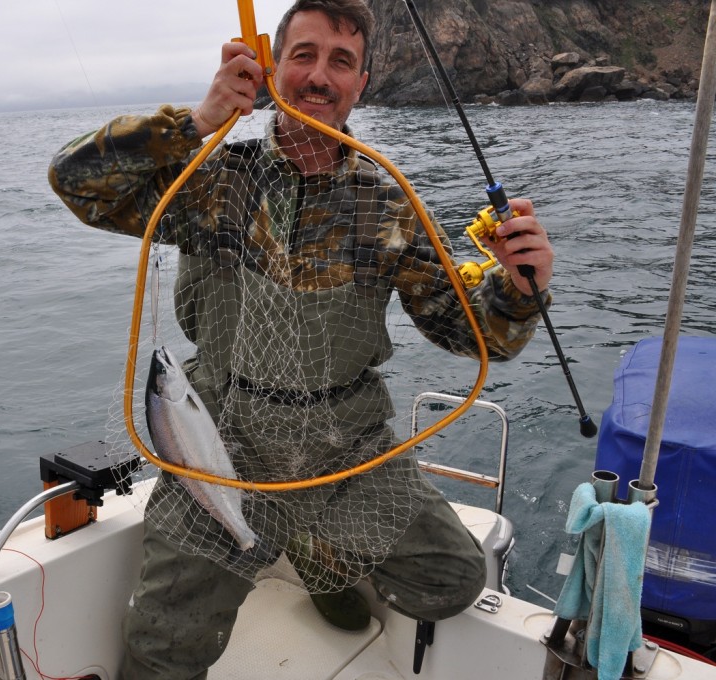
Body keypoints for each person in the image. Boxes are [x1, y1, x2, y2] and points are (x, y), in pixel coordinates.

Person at [49, 1, 555, 677]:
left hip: (348, 442)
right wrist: (196, 122)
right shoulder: (209, 181)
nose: (319, 76)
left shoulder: (391, 203)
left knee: (453, 581)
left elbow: (473, 334)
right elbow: (75, 183)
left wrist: (519, 288)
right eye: (304, 55)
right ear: (271, 68)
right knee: (163, 651)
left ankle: (318, 552)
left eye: (341, 62)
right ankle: (287, 540)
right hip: (221, 436)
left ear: (361, 84)